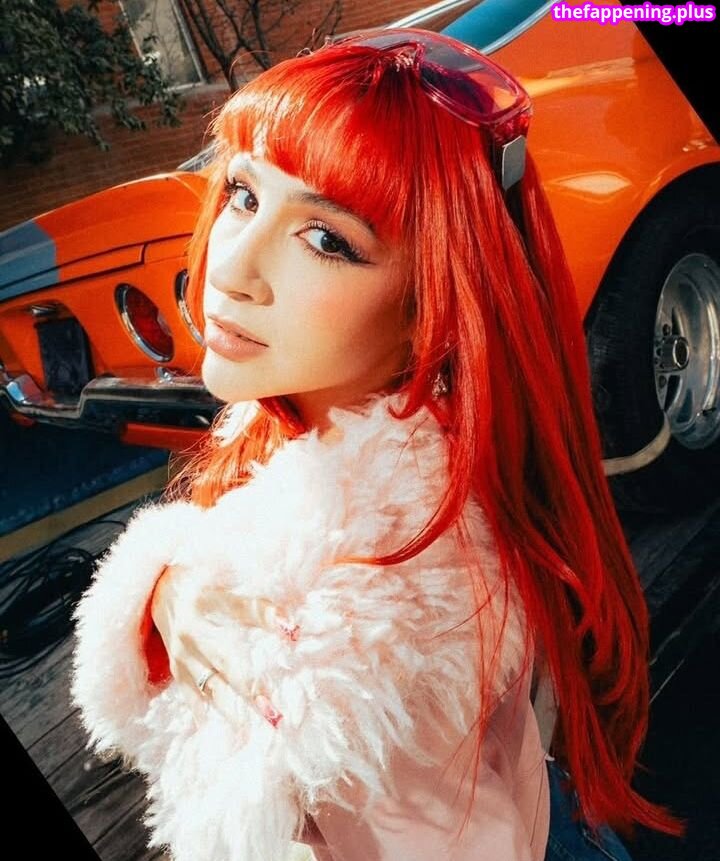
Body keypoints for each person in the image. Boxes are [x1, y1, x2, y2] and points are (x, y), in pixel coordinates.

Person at [69, 27, 686, 861]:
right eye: (245, 194)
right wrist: (168, 588)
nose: (233, 267)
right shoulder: (385, 436)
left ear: (434, 305)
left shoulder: (366, 627)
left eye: (327, 239)